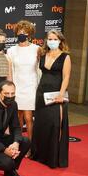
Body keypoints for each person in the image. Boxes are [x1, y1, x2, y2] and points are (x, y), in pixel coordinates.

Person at [32, 30, 71, 168]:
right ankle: (39, 155)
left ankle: (52, 158)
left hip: (56, 94)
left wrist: (61, 94)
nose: (52, 41)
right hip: (41, 93)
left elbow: (66, 76)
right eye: (50, 38)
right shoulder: (42, 54)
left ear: (60, 41)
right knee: (41, 124)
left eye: (55, 39)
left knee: (54, 125)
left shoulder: (65, 57)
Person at [7, 20, 40, 143]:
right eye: (20, 31)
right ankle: (19, 143)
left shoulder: (37, 49)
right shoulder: (11, 50)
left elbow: (40, 68)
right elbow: (10, 71)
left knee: (28, 117)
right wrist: (10, 87)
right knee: (18, 117)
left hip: (31, 86)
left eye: (25, 32)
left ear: (30, 34)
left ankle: (31, 145)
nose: (22, 34)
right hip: (17, 87)